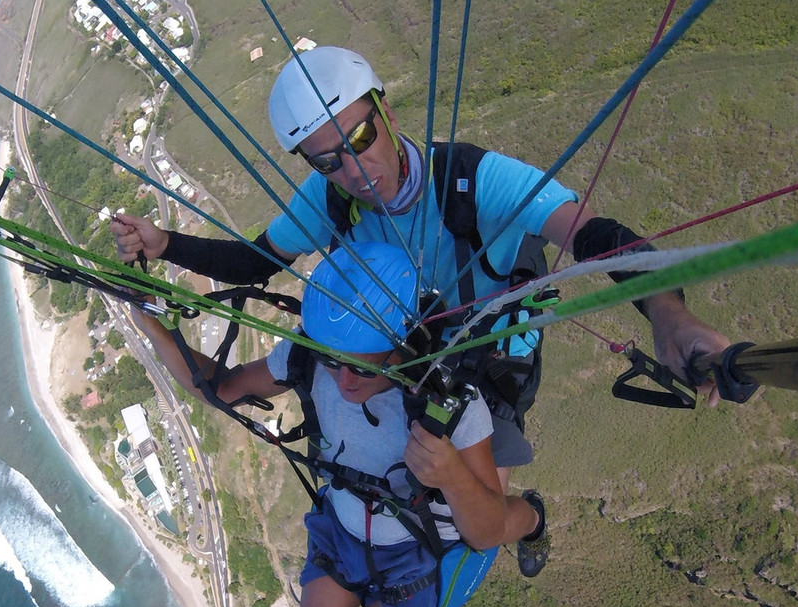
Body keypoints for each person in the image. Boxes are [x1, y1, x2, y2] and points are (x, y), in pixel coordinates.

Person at [112, 45, 731, 577]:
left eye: (360, 137)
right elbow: (256, 262)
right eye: (327, 159)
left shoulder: (468, 179)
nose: (353, 170)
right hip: (390, 357)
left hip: (481, 359)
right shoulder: (329, 200)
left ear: (386, 110)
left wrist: (667, 314)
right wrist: (169, 247)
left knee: (483, 515)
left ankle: (530, 519)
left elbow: (592, 235)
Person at [129, 241, 541, 607]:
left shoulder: (450, 405)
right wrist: (151, 325)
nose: (344, 381)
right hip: (342, 531)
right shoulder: (308, 359)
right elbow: (221, 386)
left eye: (363, 365)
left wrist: (449, 473)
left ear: (403, 343)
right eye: (333, 361)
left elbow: (486, 529)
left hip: (412, 549)